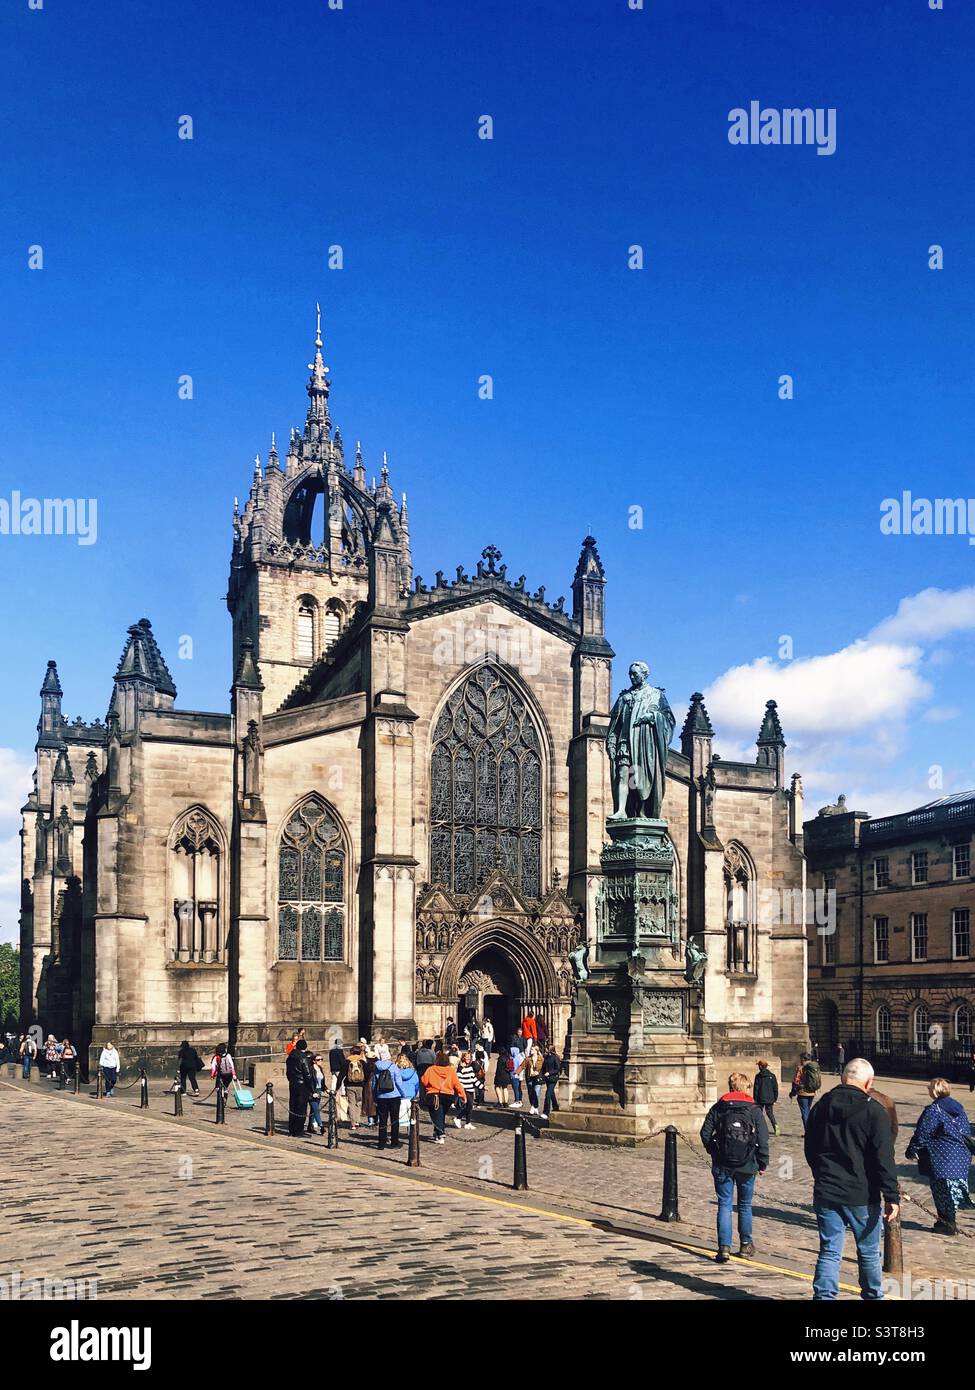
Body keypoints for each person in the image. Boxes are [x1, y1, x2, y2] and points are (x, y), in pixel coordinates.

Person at [803, 1057, 900, 1301]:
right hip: (861, 1194)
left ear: (842, 1078)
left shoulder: (820, 1106)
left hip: (827, 1191)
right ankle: (872, 1296)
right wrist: (891, 1196)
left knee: (829, 1251)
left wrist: (821, 1174)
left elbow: (810, 1149)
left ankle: (824, 1297)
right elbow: (884, 1158)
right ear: (869, 1082)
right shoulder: (873, 1110)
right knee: (868, 1252)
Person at [700, 1071, 769, 1263]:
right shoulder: (754, 1110)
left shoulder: (719, 1107)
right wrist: (762, 1162)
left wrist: (714, 1151)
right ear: (745, 1087)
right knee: (745, 1205)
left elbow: (705, 1133)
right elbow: (763, 1140)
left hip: (723, 1163)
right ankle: (746, 1244)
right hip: (748, 1164)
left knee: (724, 1204)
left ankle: (724, 1248)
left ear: (731, 1088)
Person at [905, 1077, 973, 1236]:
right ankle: (949, 1221)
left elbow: (923, 1133)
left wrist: (912, 1149)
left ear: (934, 1091)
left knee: (942, 1190)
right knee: (952, 1189)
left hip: (943, 1156)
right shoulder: (959, 1109)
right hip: (960, 1155)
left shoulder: (933, 1110)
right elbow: (965, 1131)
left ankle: (946, 1224)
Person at [420, 1051, 467, 1144]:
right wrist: (463, 1095)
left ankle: (441, 1135)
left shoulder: (431, 1069)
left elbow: (424, 1081)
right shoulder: (450, 1070)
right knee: (441, 1115)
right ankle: (437, 1132)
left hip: (434, 1095)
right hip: (448, 1096)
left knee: (436, 1115)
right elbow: (457, 1085)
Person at [372, 1045, 402, 1149]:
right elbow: (398, 1082)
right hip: (394, 1096)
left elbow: (374, 1084)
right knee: (395, 1120)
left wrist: (375, 1096)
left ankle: (381, 1143)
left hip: (381, 1097)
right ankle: (394, 1142)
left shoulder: (377, 1068)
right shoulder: (393, 1067)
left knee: (382, 1120)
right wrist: (403, 1094)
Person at [286, 1038, 314, 1137]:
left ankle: (291, 1130)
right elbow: (308, 1074)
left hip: (293, 1083)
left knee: (293, 1107)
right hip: (302, 1085)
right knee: (301, 1108)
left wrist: (292, 1080)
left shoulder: (290, 1057)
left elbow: (288, 1073)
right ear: (305, 1047)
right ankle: (298, 1131)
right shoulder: (303, 1058)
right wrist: (311, 1088)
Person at [791, 1051, 821, 1130]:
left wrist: (793, 1092)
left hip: (802, 1093)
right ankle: (811, 1129)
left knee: (805, 1113)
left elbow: (796, 1081)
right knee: (807, 1111)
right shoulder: (814, 1067)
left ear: (803, 1059)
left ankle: (808, 1131)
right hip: (812, 1093)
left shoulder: (801, 1068)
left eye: (801, 1059)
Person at [395, 1050, 420, 1139]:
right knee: (411, 1117)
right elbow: (417, 1084)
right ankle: (411, 1134)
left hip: (399, 1096)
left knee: (397, 1118)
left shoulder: (395, 1072)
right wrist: (415, 1093)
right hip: (411, 1097)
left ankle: (395, 1135)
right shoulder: (413, 1072)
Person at [753, 1060, 779, 1136]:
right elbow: (775, 1088)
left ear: (760, 1066)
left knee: (759, 1114)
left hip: (760, 1099)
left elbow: (756, 1089)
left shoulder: (758, 1076)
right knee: (770, 1114)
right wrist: (775, 1098)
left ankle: (760, 1129)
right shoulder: (772, 1075)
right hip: (770, 1099)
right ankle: (776, 1126)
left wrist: (755, 1100)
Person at [344, 1043, 366, 1131]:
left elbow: (342, 1073)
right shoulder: (362, 1061)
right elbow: (367, 1072)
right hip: (360, 1085)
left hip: (349, 1085)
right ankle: (357, 1120)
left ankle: (352, 1123)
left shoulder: (347, 1061)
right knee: (359, 1103)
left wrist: (338, 1086)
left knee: (351, 1103)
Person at [455, 1052, 478, 1129]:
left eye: (469, 1057)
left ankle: (468, 1123)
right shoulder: (460, 1068)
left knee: (470, 1107)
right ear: (463, 1058)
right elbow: (459, 1081)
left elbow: (474, 1079)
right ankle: (458, 1118)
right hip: (465, 1090)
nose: (468, 1058)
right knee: (469, 1105)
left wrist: (482, 1087)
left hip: (471, 1089)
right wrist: (461, 1091)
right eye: (466, 1057)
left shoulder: (470, 1067)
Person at [540, 1045, 561, 1117]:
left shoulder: (555, 1058)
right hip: (547, 1079)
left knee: (548, 1095)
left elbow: (558, 1069)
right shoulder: (546, 1057)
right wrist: (542, 1076)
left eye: (546, 1049)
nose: (545, 1050)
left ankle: (546, 1112)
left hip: (553, 1078)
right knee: (551, 1093)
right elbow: (543, 1068)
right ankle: (555, 1107)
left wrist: (549, 1073)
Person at [308, 1054, 326, 1134]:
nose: (320, 1061)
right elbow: (309, 1082)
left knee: (313, 1109)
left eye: (321, 1059)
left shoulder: (320, 1068)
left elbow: (322, 1081)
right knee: (316, 1109)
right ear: (314, 1061)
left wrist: (326, 1089)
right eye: (318, 1060)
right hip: (313, 1090)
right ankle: (321, 1126)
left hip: (319, 1090)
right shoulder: (311, 1069)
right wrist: (312, 1092)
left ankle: (310, 1127)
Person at [523, 1044, 543, 1115]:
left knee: (536, 1093)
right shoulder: (528, 1058)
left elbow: (544, 1067)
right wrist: (516, 1073)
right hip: (530, 1077)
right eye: (531, 1049)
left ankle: (534, 1107)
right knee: (531, 1093)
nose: (531, 1050)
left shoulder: (541, 1058)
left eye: (532, 1049)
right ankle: (534, 1106)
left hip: (537, 1078)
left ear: (536, 1051)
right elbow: (522, 1065)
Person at [508, 1039, 525, 1109]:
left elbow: (520, 1067)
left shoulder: (517, 1058)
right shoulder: (519, 1057)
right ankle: (519, 1100)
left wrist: (516, 1074)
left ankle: (517, 1100)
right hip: (517, 1076)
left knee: (516, 1089)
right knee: (518, 1088)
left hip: (516, 1075)